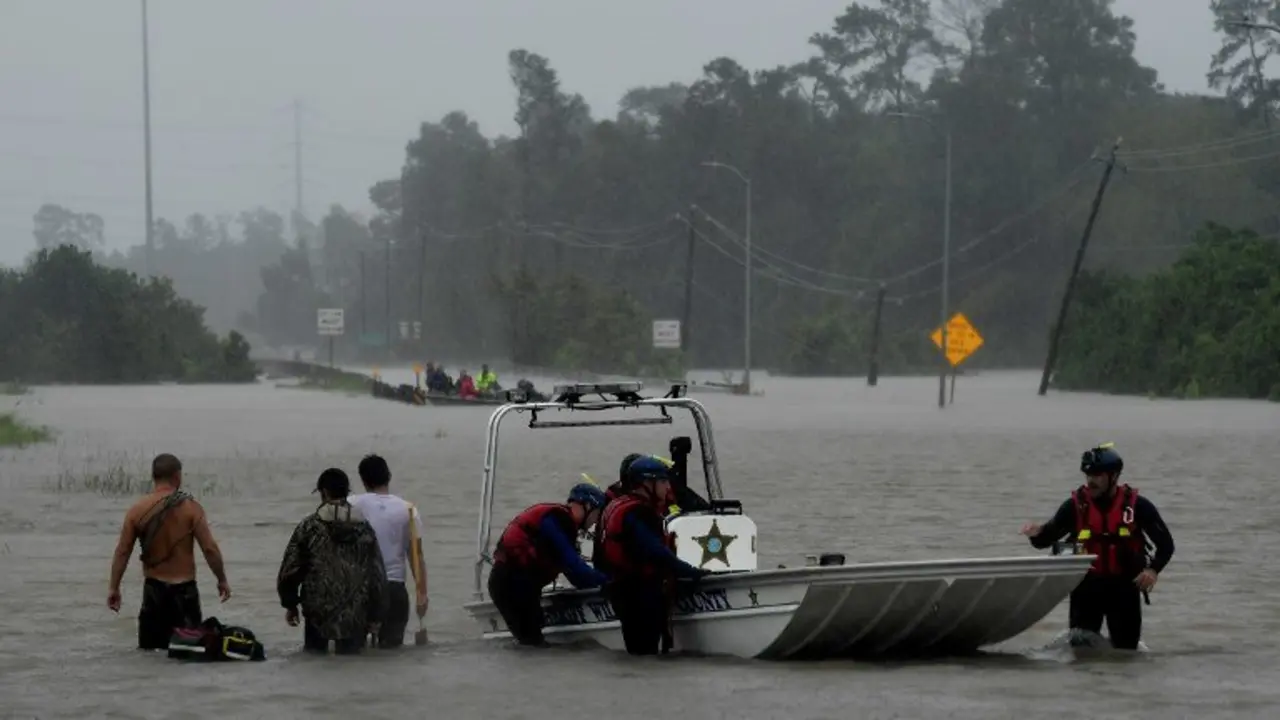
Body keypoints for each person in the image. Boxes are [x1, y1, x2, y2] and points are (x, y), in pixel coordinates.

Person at [1020, 443, 1175, 650]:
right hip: (1086, 589)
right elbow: (1045, 540)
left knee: (1126, 654)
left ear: (1114, 476)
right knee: (1081, 653)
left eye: (1097, 475)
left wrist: (1152, 570)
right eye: (1088, 475)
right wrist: (1036, 532)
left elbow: (1166, 545)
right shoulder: (1074, 506)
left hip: (1124, 589)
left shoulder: (1138, 506)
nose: (1091, 481)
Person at [107, 453, 232, 650]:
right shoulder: (191, 508)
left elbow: (123, 552)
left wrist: (114, 588)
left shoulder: (137, 510)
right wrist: (221, 579)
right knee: (187, 654)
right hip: (185, 594)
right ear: (177, 476)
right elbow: (209, 548)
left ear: (154, 477)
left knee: (150, 656)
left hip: (153, 592)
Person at [594, 456, 710, 655]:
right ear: (647, 483)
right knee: (646, 652)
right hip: (640, 593)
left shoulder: (615, 506)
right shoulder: (638, 512)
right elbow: (656, 551)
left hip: (621, 590)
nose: (668, 488)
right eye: (664, 481)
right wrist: (693, 572)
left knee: (638, 655)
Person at [277, 468, 388, 655]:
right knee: (352, 668)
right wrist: (376, 615)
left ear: (324, 492)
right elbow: (377, 574)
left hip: (317, 611)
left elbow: (291, 568)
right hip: (355, 611)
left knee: (315, 665)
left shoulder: (310, 527)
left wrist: (290, 603)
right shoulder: (364, 528)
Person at [487, 483, 610, 647]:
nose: (595, 521)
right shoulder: (557, 520)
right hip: (511, 584)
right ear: (587, 506)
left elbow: (575, 575)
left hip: (514, 584)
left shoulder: (561, 523)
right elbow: (576, 568)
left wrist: (598, 579)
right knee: (532, 644)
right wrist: (613, 580)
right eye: (597, 514)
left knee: (533, 644)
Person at [350, 454, 428, 649]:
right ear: (389, 476)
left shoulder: (351, 505)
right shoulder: (408, 510)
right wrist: (422, 594)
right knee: (392, 654)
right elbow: (417, 557)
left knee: (354, 652)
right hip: (394, 590)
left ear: (362, 480)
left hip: (361, 588)